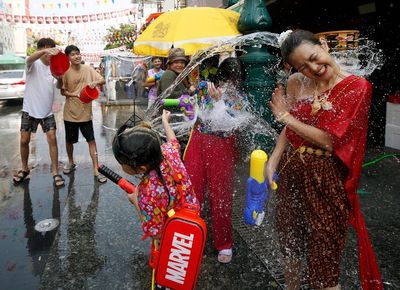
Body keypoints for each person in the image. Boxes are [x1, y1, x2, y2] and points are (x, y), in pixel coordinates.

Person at [265, 29, 382, 290]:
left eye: (315, 58)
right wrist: (274, 157)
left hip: (327, 180)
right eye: (303, 67)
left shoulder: (357, 87)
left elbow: (331, 139)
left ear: (324, 45)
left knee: (325, 260)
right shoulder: (297, 82)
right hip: (292, 170)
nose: (314, 69)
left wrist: (285, 117)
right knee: (291, 244)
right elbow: (291, 124)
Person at [183, 57, 245, 264]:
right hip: (199, 140)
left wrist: (219, 102)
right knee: (192, 190)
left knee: (221, 195)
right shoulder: (203, 87)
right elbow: (193, 114)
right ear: (220, 77)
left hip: (222, 144)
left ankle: (224, 243)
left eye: (235, 81)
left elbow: (229, 125)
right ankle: (189, 237)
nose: (230, 85)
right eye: (227, 80)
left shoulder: (238, 97)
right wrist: (189, 108)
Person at [112, 110, 198, 241]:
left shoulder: (147, 192)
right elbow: (173, 141)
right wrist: (165, 121)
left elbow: (156, 233)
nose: (120, 166)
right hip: (191, 214)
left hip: (174, 234)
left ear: (141, 168)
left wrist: (135, 200)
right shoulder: (167, 153)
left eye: (122, 163)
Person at [13, 37, 65, 187]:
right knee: (24, 140)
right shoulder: (32, 63)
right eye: (46, 51)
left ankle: (55, 172)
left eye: (51, 50)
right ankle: (24, 169)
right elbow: (29, 58)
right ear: (40, 51)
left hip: (47, 110)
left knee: (52, 139)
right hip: (29, 108)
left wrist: (60, 78)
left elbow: (59, 86)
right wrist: (45, 50)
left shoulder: (54, 66)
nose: (49, 55)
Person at [60, 45, 107, 183]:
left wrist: (94, 82)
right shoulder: (65, 72)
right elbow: (63, 91)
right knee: (70, 141)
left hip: (86, 113)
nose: (76, 56)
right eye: (73, 54)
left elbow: (102, 79)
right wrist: (75, 94)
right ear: (68, 57)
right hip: (70, 113)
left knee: (91, 140)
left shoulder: (87, 69)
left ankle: (96, 169)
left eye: (78, 54)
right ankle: (71, 162)